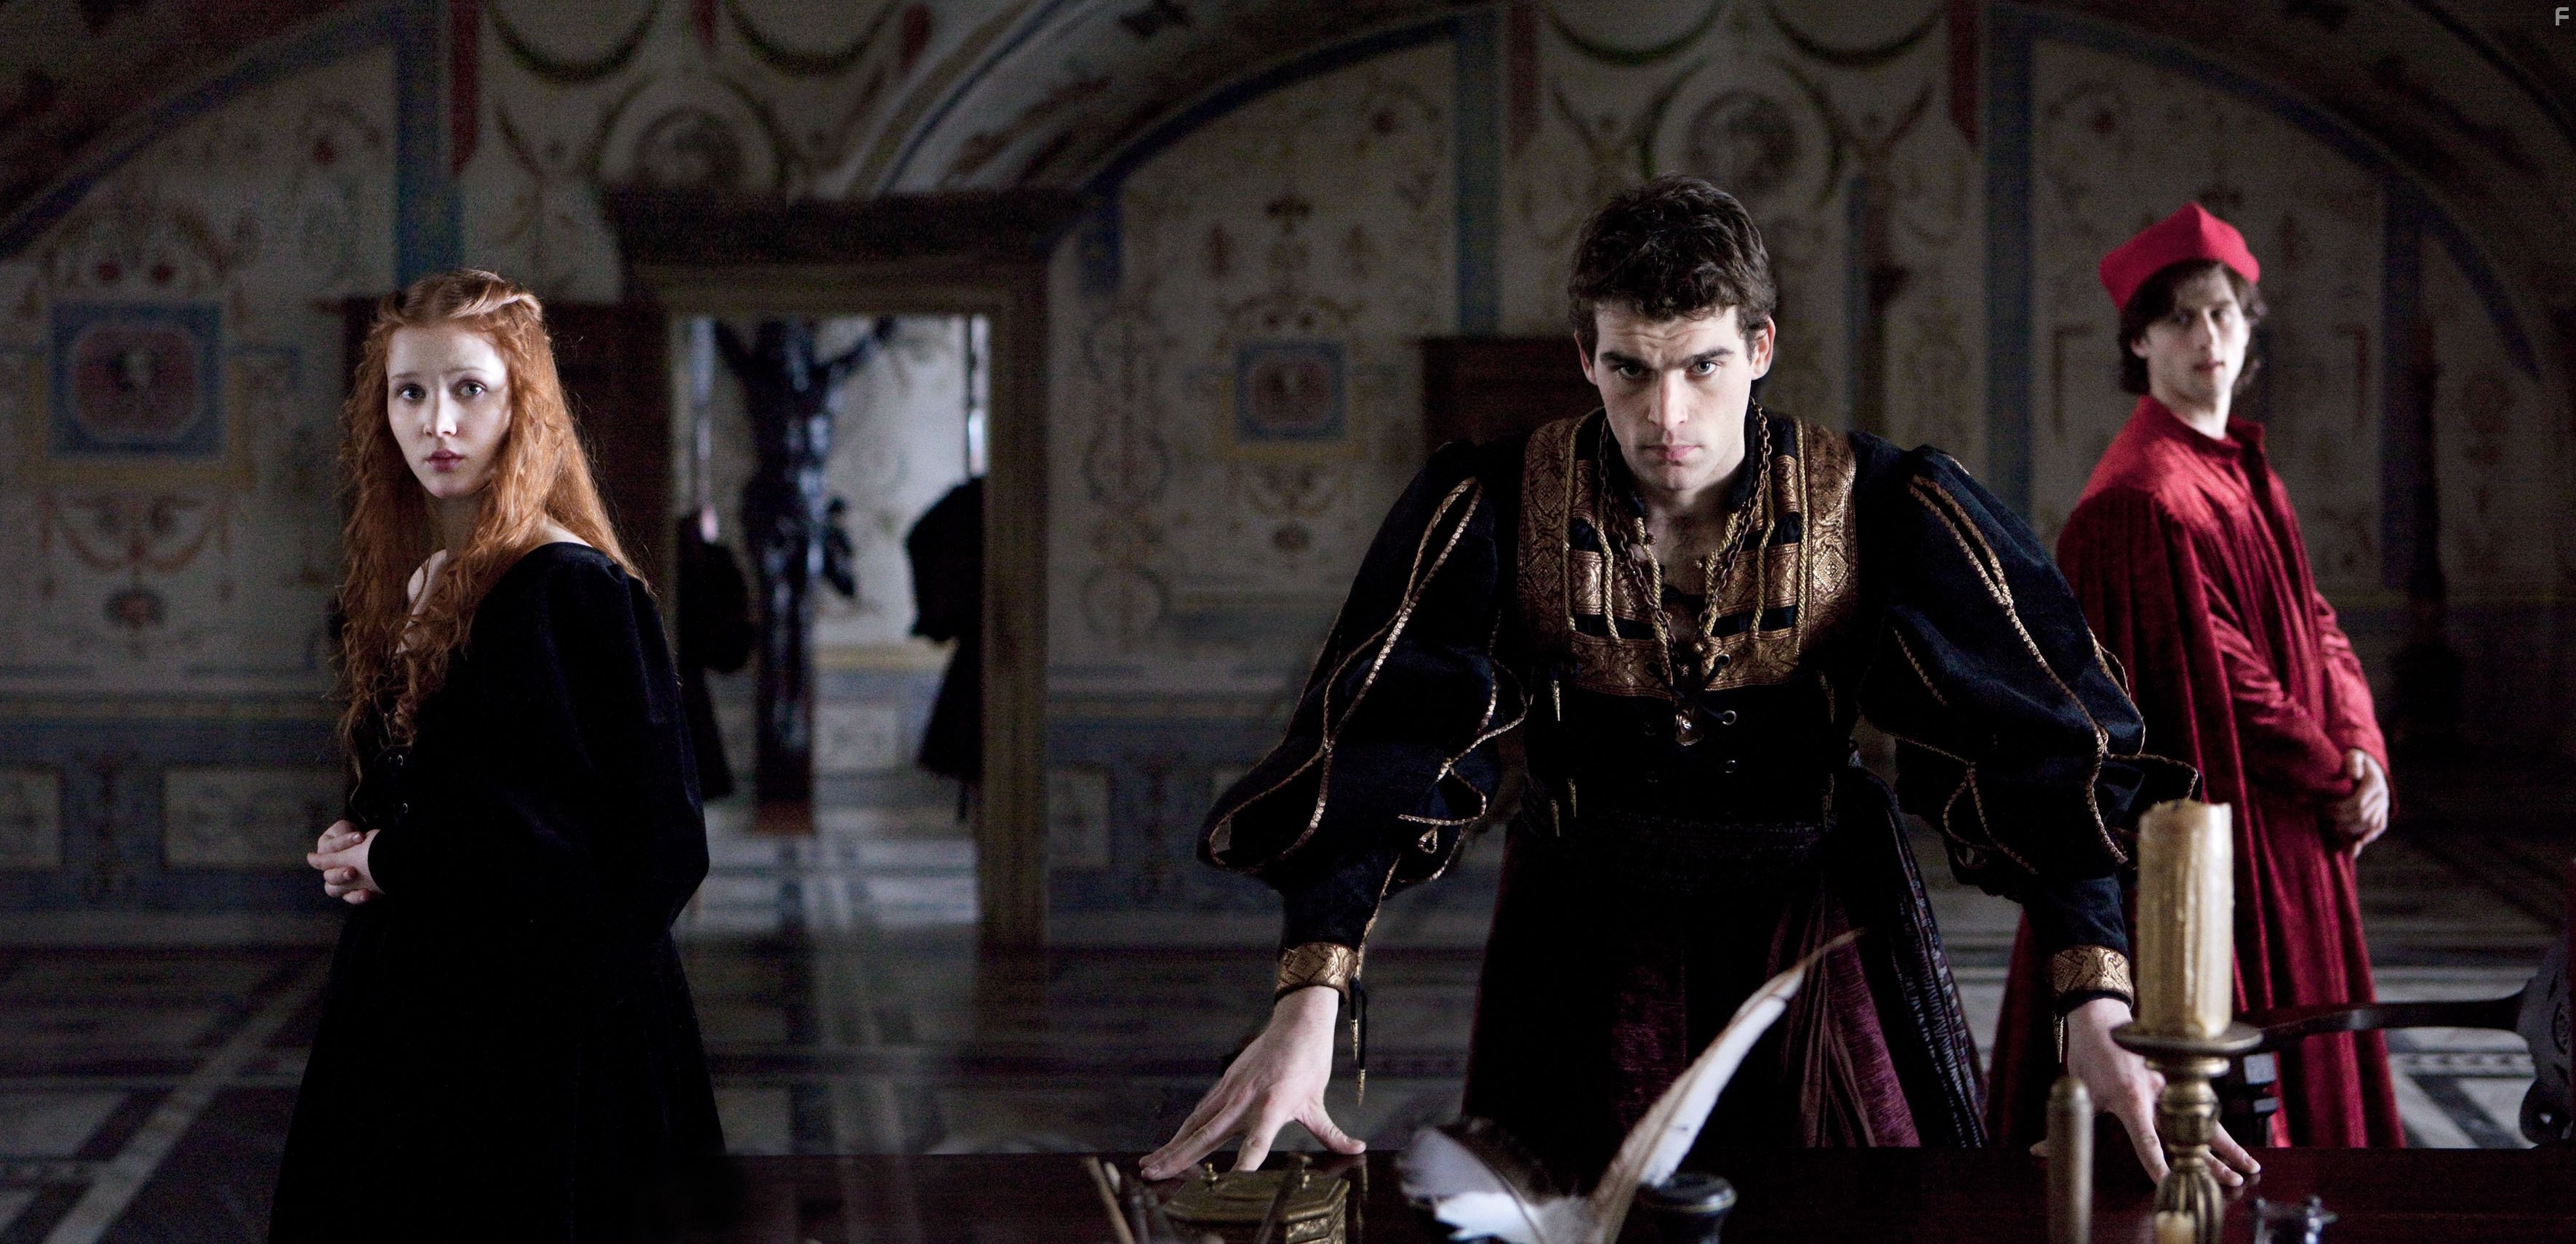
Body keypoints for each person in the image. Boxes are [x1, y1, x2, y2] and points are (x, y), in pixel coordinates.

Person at [1139, 177, 2257, 1189]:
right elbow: (1380, 747)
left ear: (1760, 346)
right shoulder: (1493, 503)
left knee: (1855, 1215)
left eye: (1702, 367)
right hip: (1578, 925)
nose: (1666, 416)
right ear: (1585, 357)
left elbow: (2048, 748)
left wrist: (2096, 1003)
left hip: (1814, 920)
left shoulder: (1878, 503)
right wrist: (1307, 1008)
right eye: (1631, 368)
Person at [273, 270, 724, 1242]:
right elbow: (451, 795)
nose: (437, 422)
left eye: (469, 389)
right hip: (416, 1001)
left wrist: (399, 859)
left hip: (544, 1033)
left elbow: (656, 844)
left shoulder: (573, 589)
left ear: (523, 405)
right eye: (410, 392)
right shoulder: (421, 582)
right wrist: (365, 841)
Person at [1987, 204, 2402, 1150]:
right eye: (2180, 318)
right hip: (2216, 838)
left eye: (2222, 312)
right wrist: (2332, 772)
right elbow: (2224, 681)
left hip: (2290, 815)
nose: (2207, 335)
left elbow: (2317, 623)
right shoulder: (2143, 495)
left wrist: (2363, 747)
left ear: (2249, 326)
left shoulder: (2240, 468)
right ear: (2139, 340)